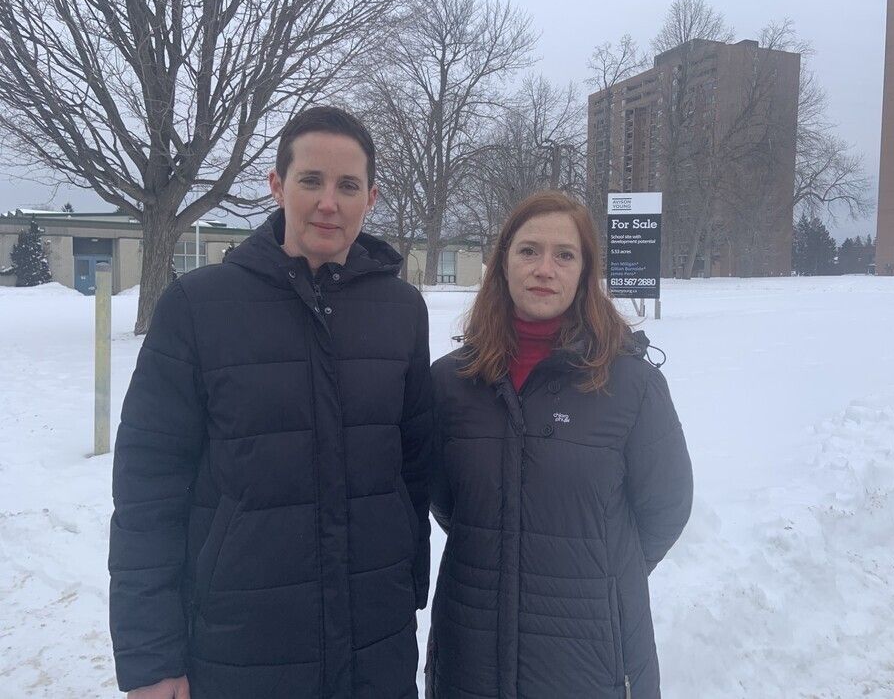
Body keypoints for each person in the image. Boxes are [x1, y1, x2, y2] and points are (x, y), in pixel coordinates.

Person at [109, 106, 432, 698]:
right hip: (241, 645)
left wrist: (406, 590)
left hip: (374, 645)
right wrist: (151, 657)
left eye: (348, 185)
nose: (328, 202)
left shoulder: (402, 310)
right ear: (278, 185)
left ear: (371, 197)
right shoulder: (198, 306)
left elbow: (411, 469)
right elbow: (148, 487)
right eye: (311, 180)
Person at [426, 191, 693, 699]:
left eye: (564, 255)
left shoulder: (630, 386)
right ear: (502, 262)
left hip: (592, 656)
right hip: (471, 652)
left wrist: (600, 575)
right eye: (528, 251)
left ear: (585, 272)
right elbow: (446, 501)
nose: (544, 268)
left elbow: (666, 508)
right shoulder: (451, 383)